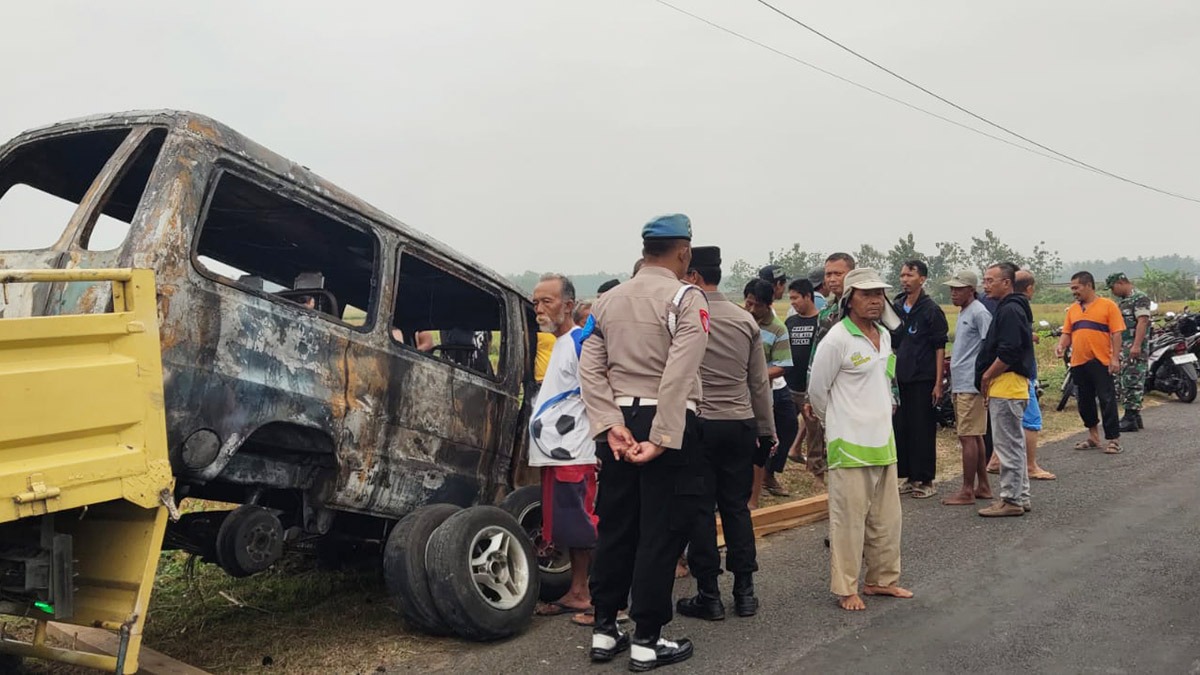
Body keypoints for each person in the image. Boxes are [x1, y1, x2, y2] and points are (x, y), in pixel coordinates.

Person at [579, 213, 707, 670]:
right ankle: (647, 638)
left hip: (619, 423)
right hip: (664, 420)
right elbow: (680, 369)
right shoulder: (685, 298)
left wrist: (610, 423)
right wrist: (663, 435)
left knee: (616, 525)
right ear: (683, 251)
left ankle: (604, 628)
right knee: (661, 531)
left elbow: (590, 369)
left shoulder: (607, 301)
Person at [677, 247, 774, 621]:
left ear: (696, 277)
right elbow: (758, 383)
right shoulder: (745, 320)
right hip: (740, 422)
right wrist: (767, 431)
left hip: (700, 422)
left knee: (700, 510)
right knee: (736, 507)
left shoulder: (685, 317)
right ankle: (745, 592)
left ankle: (709, 594)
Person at [808, 267, 911, 611]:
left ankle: (882, 580)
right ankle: (846, 587)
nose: (875, 300)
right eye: (867, 294)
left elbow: (885, 381)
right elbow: (817, 392)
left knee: (886, 519)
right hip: (849, 445)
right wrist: (836, 423)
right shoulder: (837, 338)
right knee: (848, 521)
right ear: (850, 299)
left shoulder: (884, 334)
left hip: (884, 441)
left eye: (879, 294)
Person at [528, 273, 599, 617]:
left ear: (568, 305)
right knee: (565, 524)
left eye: (547, 302)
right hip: (556, 453)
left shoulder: (578, 343)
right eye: (535, 302)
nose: (539, 309)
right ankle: (577, 590)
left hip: (575, 453)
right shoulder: (558, 343)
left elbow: (597, 394)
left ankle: (586, 593)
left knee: (580, 523)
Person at [976, 263, 1036, 518]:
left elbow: (1009, 350)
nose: (985, 285)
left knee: (1007, 445)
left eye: (990, 280)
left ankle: (1011, 499)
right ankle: (1020, 495)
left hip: (1007, 386)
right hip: (1010, 386)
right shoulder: (1010, 308)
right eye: (985, 280)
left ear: (1007, 283)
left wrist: (988, 375)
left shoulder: (1010, 310)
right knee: (1013, 444)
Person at [890, 260, 948, 500]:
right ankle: (909, 476)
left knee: (922, 429)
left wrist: (937, 383)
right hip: (899, 378)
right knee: (901, 429)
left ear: (922, 279)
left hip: (923, 379)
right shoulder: (895, 306)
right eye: (902, 275)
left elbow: (939, 348)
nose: (905, 279)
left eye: (910, 275)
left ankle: (925, 479)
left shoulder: (931, 309)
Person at [801, 252, 856, 484]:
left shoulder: (868, 310)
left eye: (838, 273)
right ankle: (824, 473)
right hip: (830, 387)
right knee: (826, 432)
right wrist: (809, 395)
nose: (832, 279)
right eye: (828, 274)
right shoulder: (827, 314)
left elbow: (884, 354)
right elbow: (816, 356)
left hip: (857, 387)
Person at [1056, 271, 1125, 454]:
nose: (1074, 292)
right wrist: (1061, 345)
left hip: (1101, 360)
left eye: (1076, 288)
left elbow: (1117, 333)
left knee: (1107, 399)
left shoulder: (1108, 306)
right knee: (1084, 401)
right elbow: (1067, 332)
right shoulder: (1073, 309)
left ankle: (1113, 439)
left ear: (1088, 285)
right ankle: (1093, 437)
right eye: (1072, 289)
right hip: (1079, 362)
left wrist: (1115, 357)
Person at [940, 270, 993, 506]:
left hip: (970, 384)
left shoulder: (979, 312)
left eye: (958, 289)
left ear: (971, 290)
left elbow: (988, 345)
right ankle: (982, 485)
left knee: (967, 437)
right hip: (963, 380)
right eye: (952, 289)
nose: (953, 293)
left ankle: (966, 490)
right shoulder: (966, 311)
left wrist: (983, 377)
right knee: (976, 436)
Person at [744, 278, 796, 504]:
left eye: (758, 305)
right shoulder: (738, 321)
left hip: (770, 392)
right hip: (740, 395)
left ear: (770, 303)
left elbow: (783, 365)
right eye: (749, 303)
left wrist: (756, 375)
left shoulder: (778, 329)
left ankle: (768, 476)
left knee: (784, 430)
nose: (753, 309)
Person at [1016, 270, 1055, 481]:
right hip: (1023, 373)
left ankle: (995, 460)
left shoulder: (1004, 306)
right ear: (1029, 288)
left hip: (1013, 374)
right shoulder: (1020, 307)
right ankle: (1030, 465)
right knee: (1031, 420)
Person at [1107, 272, 1152, 432]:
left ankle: (1130, 417)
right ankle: (1135, 415)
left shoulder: (1139, 298)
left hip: (1133, 347)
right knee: (1125, 380)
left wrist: (1136, 345)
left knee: (1133, 380)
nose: (1113, 291)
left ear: (1120, 283)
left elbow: (1143, 321)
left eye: (1113, 288)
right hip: (1124, 348)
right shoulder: (1123, 302)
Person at [784, 278, 820, 463]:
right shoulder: (790, 322)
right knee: (786, 426)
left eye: (796, 298)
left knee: (814, 428)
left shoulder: (822, 321)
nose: (793, 302)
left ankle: (815, 465)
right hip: (790, 385)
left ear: (808, 296)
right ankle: (787, 453)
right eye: (790, 298)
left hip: (810, 388)